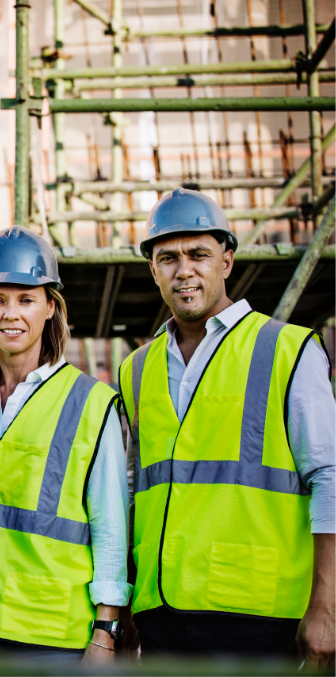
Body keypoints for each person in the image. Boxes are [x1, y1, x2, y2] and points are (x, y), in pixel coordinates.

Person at [119, 188, 336, 666]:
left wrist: (327, 606)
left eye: (199, 254)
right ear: (153, 270)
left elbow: (330, 478)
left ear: (227, 262)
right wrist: (128, 601)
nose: (184, 270)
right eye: (168, 258)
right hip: (160, 613)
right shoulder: (136, 368)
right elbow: (136, 494)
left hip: (257, 613)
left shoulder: (287, 350)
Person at [0, 227, 131, 662]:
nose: (11, 314)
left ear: (50, 307)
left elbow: (111, 527)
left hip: (50, 636)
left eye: (26, 299)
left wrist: (105, 632)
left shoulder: (90, 402)